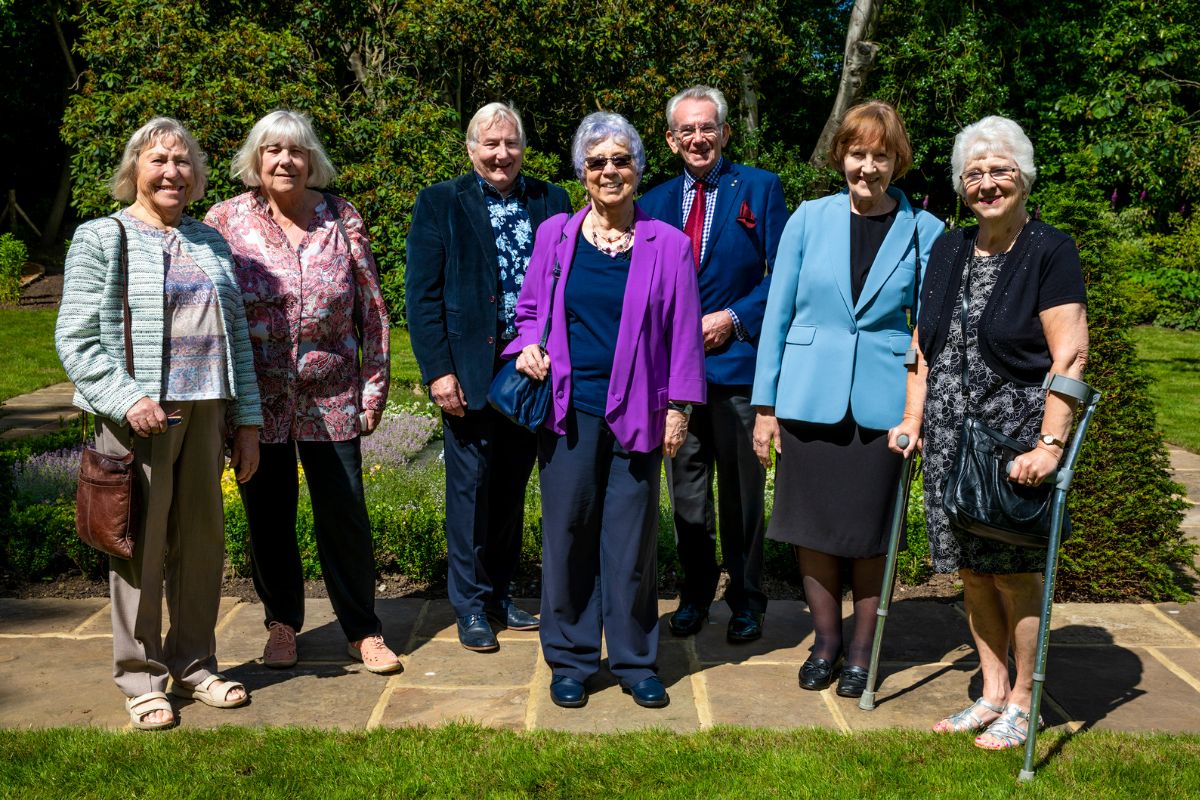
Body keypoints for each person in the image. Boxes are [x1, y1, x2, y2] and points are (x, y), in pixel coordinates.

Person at [55, 117, 263, 730]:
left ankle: (195, 663)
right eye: (158, 160)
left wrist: (245, 421)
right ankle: (141, 676)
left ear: (197, 176)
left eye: (182, 160)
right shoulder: (102, 237)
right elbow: (77, 338)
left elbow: (239, 345)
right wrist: (125, 398)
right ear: (134, 171)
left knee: (201, 544)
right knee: (138, 546)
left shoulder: (211, 241)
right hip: (139, 417)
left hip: (206, 411)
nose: (172, 170)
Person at [888, 116, 1088, 749]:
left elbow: (1071, 357)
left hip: (1012, 440)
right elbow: (923, 346)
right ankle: (992, 689)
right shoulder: (948, 247)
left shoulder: (1049, 249)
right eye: (973, 174)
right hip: (949, 434)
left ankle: (1026, 700)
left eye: (999, 170)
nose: (987, 183)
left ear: (1023, 178)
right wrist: (913, 419)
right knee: (972, 571)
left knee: (1013, 572)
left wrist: (1050, 445)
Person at [508, 112, 706, 709]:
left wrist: (680, 408)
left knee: (631, 543)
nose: (610, 171)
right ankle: (569, 660)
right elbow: (528, 311)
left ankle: (634, 659)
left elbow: (683, 334)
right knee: (566, 536)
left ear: (639, 169)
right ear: (582, 172)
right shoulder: (558, 236)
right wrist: (527, 349)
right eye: (597, 162)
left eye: (621, 160)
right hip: (569, 411)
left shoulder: (668, 243)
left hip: (640, 411)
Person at [752, 100, 943, 698]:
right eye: (857, 153)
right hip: (807, 397)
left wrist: (920, 409)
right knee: (811, 530)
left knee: (868, 535)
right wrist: (765, 406)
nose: (868, 167)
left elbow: (929, 329)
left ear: (898, 161)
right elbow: (778, 312)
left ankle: (862, 652)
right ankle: (825, 642)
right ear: (841, 156)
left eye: (880, 156)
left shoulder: (925, 230)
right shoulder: (808, 219)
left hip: (884, 406)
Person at [204, 110, 399, 675]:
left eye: (295, 151)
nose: (284, 161)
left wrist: (373, 387)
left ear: (312, 160)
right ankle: (282, 624)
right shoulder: (225, 221)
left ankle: (362, 629)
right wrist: (220, 402)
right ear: (255, 160)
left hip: (333, 395)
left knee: (344, 515)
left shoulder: (342, 218)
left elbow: (373, 312)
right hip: (255, 404)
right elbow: (211, 314)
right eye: (272, 151)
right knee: (268, 515)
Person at [407, 103, 572, 652]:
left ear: (524, 148)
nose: (501, 154)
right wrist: (439, 372)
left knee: (510, 491)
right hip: (469, 374)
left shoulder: (553, 201)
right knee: (470, 492)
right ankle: (471, 605)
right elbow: (423, 297)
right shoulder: (439, 203)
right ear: (471, 149)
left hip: (531, 371)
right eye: (490, 143)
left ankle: (501, 594)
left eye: (511, 143)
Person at [640, 85, 789, 643]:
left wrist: (734, 316)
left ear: (725, 132)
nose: (698, 138)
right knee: (687, 491)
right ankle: (696, 593)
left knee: (744, 494)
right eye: (688, 131)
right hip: (675, 376)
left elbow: (781, 275)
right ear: (672, 139)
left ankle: (748, 599)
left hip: (739, 366)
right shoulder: (650, 203)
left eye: (709, 128)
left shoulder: (760, 187)